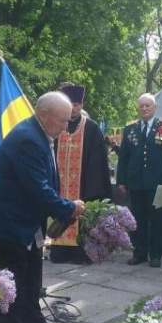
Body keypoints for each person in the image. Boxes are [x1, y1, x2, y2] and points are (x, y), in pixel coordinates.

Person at [0, 92, 85, 323]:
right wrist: (68, 208)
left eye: (68, 120)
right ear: (43, 114)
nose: (65, 126)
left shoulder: (41, 133)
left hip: (26, 223)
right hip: (7, 226)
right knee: (7, 289)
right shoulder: (27, 138)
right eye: (61, 121)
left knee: (30, 281)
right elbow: (37, 187)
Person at [50, 84, 113, 264]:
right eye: (71, 104)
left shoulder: (91, 128)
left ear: (81, 105)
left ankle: (81, 254)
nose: (74, 108)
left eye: (77, 104)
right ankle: (59, 251)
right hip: (60, 184)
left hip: (83, 185)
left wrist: (91, 189)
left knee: (82, 217)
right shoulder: (57, 126)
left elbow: (97, 162)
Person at [116, 93, 162, 268]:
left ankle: (156, 255)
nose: (144, 108)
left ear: (154, 107)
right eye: (141, 106)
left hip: (158, 183)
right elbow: (124, 157)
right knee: (137, 220)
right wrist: (121, 180)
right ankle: (140, 253)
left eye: (148, 106)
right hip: (136, 183)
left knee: (157, 221)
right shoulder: (130, 128)